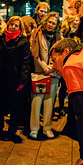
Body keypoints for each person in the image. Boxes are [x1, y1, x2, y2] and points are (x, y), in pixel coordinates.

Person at [0, 16, 31, 142]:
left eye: (16, 25)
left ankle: (11, 131)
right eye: (11, 24)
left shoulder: (23, 41)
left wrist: (23, 80)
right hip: (1, 77)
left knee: (15, 107)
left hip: (15, 78)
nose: (13, 27)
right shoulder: (1, 38)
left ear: (20, 28)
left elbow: (26, 62)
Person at [29, 11, 62, 139]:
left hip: (54, 73)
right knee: (37, 101)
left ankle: (47, 127)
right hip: (40, 72)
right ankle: (34, 128)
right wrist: (44, 67)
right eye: (49, 22)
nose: (51, 25)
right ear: (45, 21)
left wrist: (53, 67)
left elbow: (61, 54)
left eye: (54, 23)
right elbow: (34, 52)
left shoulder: (59, 36)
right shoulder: (37, 33)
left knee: (50, 101)